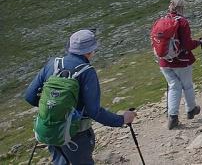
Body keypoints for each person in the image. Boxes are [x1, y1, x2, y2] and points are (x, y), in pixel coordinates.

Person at [24, 29, 137, 165]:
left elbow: (30, 97)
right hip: (77, 134)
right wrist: (121, 119)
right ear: (89, 51)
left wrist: (54, 108)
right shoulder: (87, 72)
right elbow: (94, 111)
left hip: (51, 130)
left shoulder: (52, 63)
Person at [153, 0, 202, 129]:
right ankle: (191, 109)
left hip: (164, 61)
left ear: (170, 6)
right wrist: (199, 42)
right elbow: (187, 44)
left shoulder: (161, 21)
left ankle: (173, 117)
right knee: (187, 85)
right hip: (181, 61)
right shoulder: (182, 22)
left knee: (173, 86)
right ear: (182, 7)